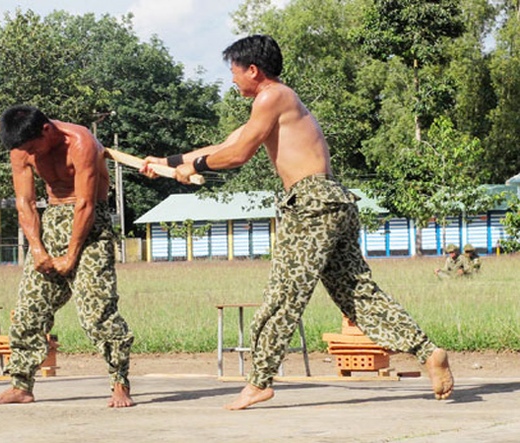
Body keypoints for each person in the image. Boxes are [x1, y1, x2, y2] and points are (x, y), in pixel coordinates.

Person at [141, 35, 454, 410]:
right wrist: (168, 162)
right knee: (357, 294)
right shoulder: (273, 104)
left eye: (235, 73)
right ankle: (428, 351)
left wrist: (197, 167)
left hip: (310, 205)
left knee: (283, 296)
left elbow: (237, 155)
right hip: (331, 201)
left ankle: (258, 382)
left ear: (253, 70)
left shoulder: (272, 97)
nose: (232, 81)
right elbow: (227, 143)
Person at [0, 105, 134, 408]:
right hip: (52, 222)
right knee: (28, 309)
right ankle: (20, 385)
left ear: (47, 131)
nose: (30, 154)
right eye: (24, 150)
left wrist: (71, 255)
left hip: (91, 228)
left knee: (97, 311)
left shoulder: (81, 142)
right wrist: (37, 249)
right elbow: (25, 202)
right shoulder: (21, 147)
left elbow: (86, 206)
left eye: (32, 147)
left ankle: (119, 382)